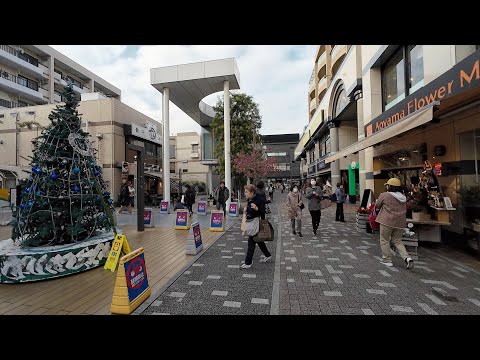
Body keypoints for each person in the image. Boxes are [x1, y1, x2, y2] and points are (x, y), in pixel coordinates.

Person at [375, 178, 414, 269]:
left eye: (387, 185)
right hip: (400, 223)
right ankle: (407, 258)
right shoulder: (403, 197)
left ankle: (387, 260)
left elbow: (377, 205)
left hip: (387, 221)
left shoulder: (385, 195)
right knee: (397, 241)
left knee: (384, 240)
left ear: (390, 186)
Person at [241, 184, 272, 269]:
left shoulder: (258, 200)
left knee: (251, 242)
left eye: (246, 192)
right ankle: (267, 255)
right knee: (259, 241)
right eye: (245, 192)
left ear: (252, 192)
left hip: (255, 223)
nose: (245, 193)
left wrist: (256, 209)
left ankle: (248, 262)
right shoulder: (251, 199)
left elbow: (262, 212)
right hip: (252, 224)